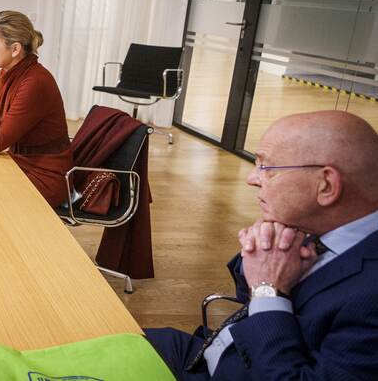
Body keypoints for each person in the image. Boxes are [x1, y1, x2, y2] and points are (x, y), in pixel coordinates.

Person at [145, 111, 378, 380]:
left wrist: (268, 289)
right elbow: (250, 301)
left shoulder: (370, 299)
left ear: (326, 185)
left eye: (267, 168)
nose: (252, 179)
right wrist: (260, 257)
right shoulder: (316, 225)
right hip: (202, 355)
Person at [0, 11, 73, 206]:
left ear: (15, 49)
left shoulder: (35, 83)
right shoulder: (8, 72)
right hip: (19, 161)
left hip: (43, 176)